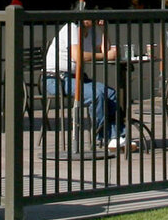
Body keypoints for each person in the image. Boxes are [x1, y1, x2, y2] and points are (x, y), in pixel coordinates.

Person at [44, 10, 127, 149]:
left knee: (111, 93)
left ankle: (117, 136)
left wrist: (104, 30)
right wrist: (106, 55)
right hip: (56, 79)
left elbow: (103, 50)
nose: (93, 18)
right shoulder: (71, 29)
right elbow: (78, 57)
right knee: (96, 95)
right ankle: (103, 137)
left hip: (77, 78)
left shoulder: (91, 32)